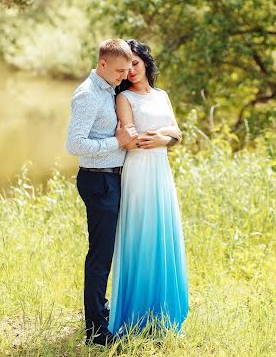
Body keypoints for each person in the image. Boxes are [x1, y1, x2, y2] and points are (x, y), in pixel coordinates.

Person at [109, 39, 189, 336]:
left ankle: (164, 312)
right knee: (140, 234)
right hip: (139, 172)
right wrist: (159, 137)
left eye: (135, 63)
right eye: (126, 65)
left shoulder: (162, 95)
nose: (130, 70)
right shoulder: (124, 98)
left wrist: (165, 138)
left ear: (145, 62)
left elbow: (177, 131)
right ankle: (136, 315)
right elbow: (130, 140)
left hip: (160, 171)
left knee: (162, 233)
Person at [66, 38, 138, 346]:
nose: (124, 76)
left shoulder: (109, 88)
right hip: (98, 182)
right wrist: (116, 142)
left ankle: (102, 309)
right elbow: (75, 145)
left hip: (113, 179)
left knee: (109, 251)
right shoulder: (86, 95)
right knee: (100, 256)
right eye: (120, 71)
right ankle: (96, 332)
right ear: (103, 64)